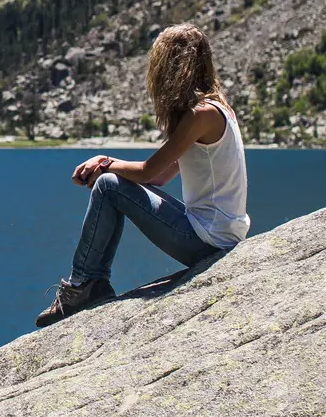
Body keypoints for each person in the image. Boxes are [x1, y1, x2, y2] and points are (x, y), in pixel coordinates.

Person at [35, 23, 251, 328]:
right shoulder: (218, 108)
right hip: (222, 234)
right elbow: (160, 177)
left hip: (208, 241)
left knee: (109, 186)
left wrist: (106, 165)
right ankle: (89, 283)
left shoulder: (200, 115)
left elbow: (150, 171)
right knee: (113, 183)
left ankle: (84, 285)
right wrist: (109, 165)